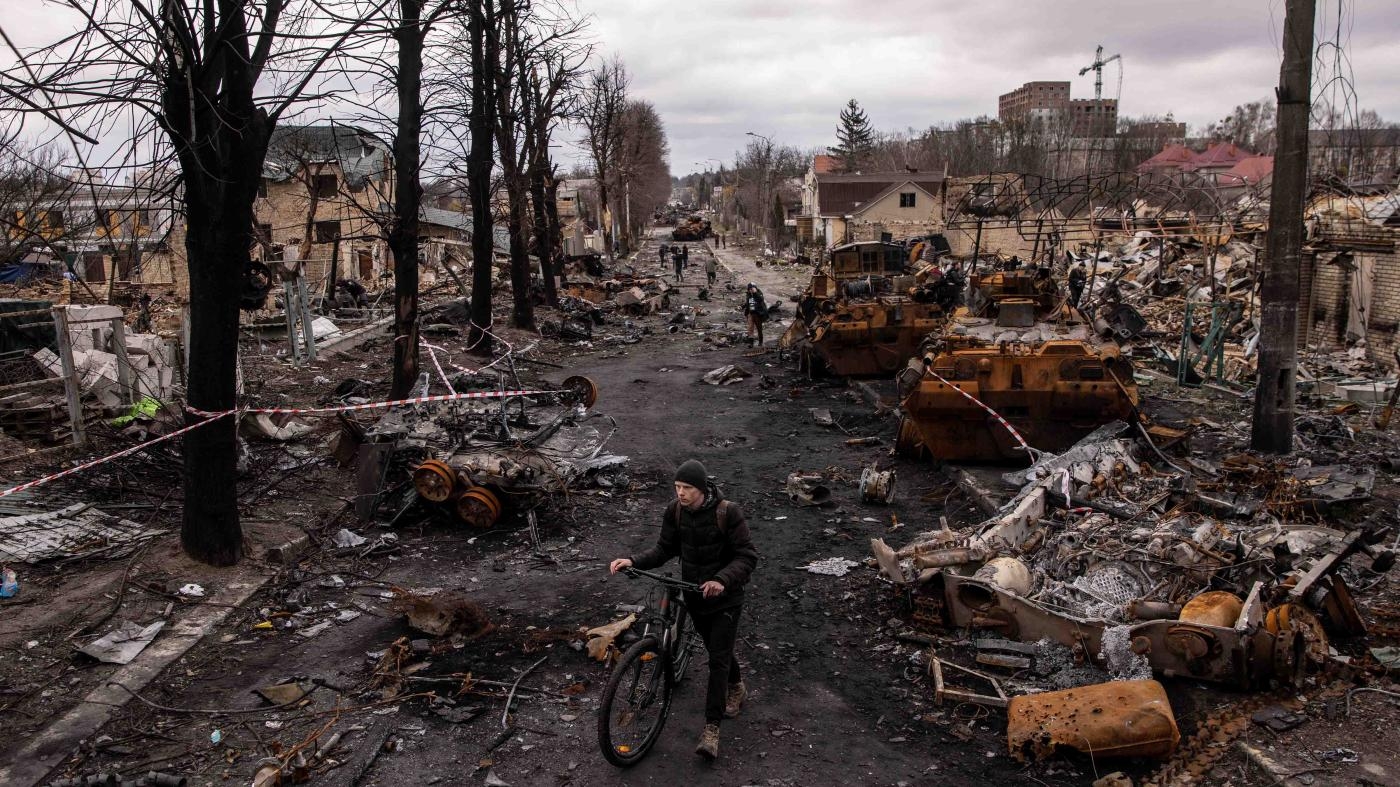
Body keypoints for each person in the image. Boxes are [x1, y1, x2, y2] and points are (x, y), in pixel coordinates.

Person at [609, 460, 758, 760]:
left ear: (702, 489)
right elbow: (664, 549)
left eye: (687, 488)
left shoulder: (728, 513)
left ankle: (711, 729)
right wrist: (633, 560)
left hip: (726, 599)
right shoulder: (675, 511)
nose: (681, 493)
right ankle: (738, 686)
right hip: (694, 595)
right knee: (719, 649)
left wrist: (721, 579)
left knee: (717, 660)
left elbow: (747, 556)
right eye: (677, 487)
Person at [742, 283, 767, 347]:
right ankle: (751, 343)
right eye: (749, 289)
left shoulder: (759, 293)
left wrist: (755, 293)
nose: (750, 290)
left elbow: (761, 299)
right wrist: (744, 307)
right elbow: (748, 303)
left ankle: (760, 341)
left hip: (757, 313)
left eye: (752, 289)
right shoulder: (748, 294)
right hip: (750, 313)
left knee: (759, 328)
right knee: (750, 328)